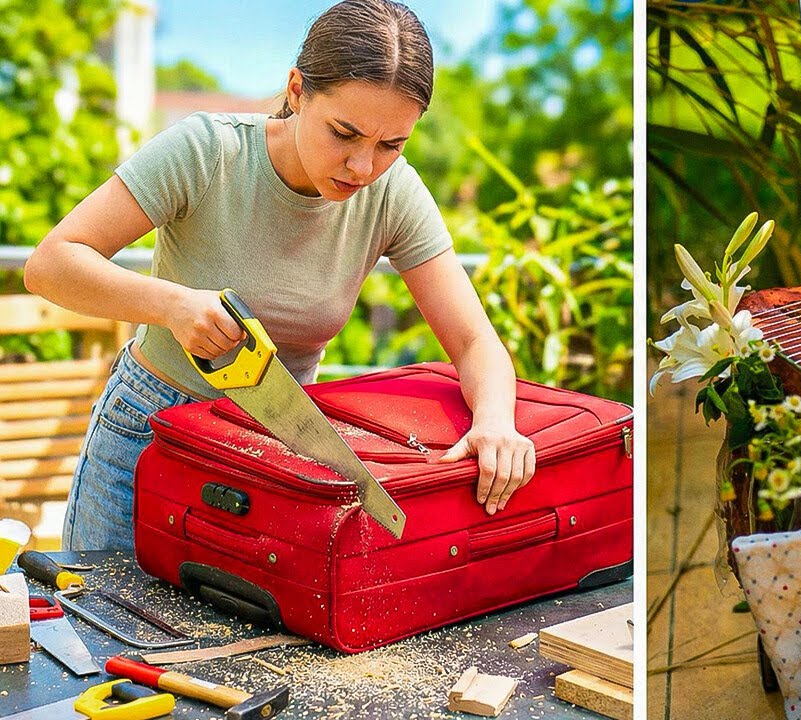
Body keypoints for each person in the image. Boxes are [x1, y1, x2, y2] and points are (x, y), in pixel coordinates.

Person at [23, 0, 535, 551]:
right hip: (149, 433)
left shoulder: (394, 193)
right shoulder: (207, 150)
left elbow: (474, 339)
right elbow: (51, 264)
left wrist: (496, 422)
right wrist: (171, 305)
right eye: (344, 133)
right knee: (100, 624)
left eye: (391, 144)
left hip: (279, 451)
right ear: (296, 90)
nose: (363, 168)